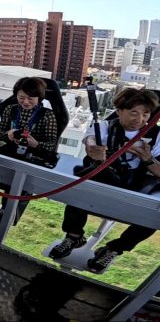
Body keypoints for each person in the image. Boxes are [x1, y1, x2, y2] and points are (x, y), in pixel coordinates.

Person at [48, 88, 160, 272]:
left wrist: (147, 159)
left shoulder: (156, 136)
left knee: (155, 215)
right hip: (105, 177)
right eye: (134, 113)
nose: (139, 119)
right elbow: (90, 140)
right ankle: (74, 236)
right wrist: (94, 150)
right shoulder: (105, 127)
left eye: (146, 114)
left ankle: (115, 248)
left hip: (135, 184)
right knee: (82, 185)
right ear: (119, 111)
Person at [0, 77, 59, 232]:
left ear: (39, 98)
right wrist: (8, 134)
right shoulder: (11, 109)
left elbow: (51, 145)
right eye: (21, 97)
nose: (25, 102)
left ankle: (4, 213)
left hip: (29, 159)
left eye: (30, 98)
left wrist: (35, 144)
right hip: (7, 154)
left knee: (15, 186)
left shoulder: (47, 116)